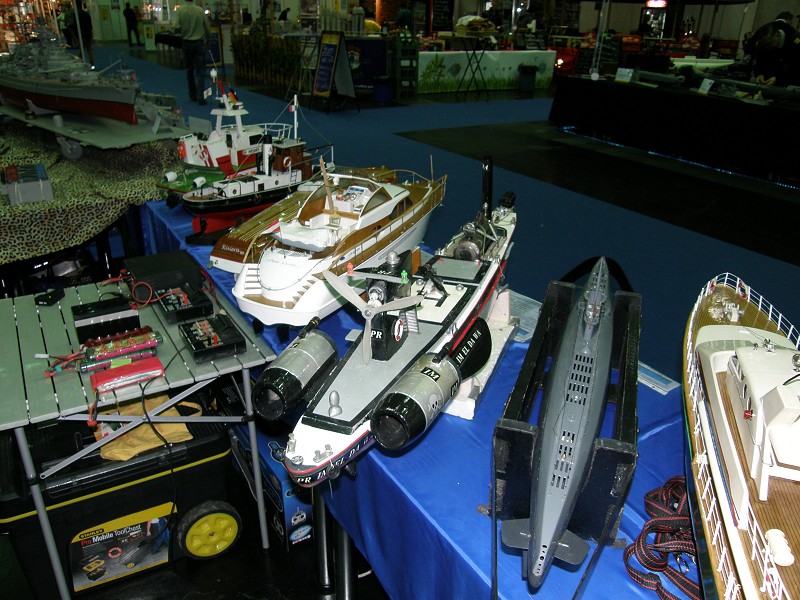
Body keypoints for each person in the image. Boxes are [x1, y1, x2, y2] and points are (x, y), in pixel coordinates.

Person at [172, 0, 211, 104]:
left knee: (189, 70)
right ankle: (200, 96)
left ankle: (192, 94)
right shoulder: (200, 10)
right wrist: (208, 40)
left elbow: (175, 26)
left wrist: (182, 31)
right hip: (199, 43)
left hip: (187, 44)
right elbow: (207, 28)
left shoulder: (180, 10)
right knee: (201, 71)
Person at [749, 19, 800, 86]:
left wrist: (779, 79)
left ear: (777, 35)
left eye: (770, 43)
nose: (768, 47)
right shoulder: (765, 44)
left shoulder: (796, 44)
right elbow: (761, 60)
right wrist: (760, 73)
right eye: (765, 45)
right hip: (769, 82)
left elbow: (796, 70)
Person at [74, 2, 94, 66]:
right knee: (89, 50)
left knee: (81, 50)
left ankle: (81, 64)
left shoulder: (76, 15)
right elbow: (90, 25)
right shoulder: (86, 14)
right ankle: (92, 63)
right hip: (88, 33)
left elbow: (75, 26)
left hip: (81, 34)